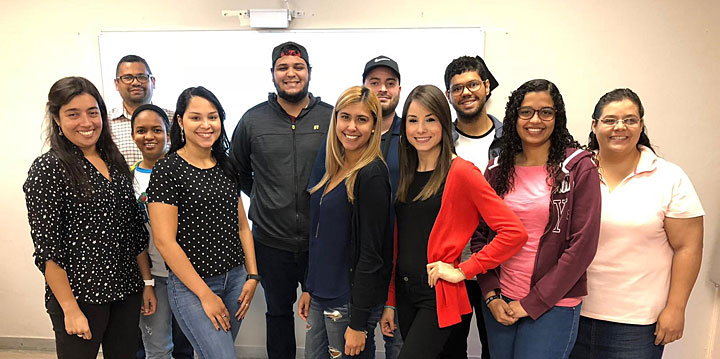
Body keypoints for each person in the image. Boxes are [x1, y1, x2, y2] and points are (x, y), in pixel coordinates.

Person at [379, 85, 528, 359]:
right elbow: (400, 242)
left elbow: (514, 232)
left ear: (444, 123)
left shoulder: (462, 172)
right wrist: (390, 301)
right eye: (412, 120)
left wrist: (465, 270)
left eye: (430, 119)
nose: (420, 129)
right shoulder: (406, 173)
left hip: (437, 295)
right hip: (405, 292)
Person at [570, 89, 704, 359]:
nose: (620, 127)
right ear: (594, 126)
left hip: (636, 325)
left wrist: (676, 308)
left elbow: (688, 247)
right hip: (571, 312)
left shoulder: (668, 177)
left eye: (630, 119)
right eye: (609, 120)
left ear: (641, 125)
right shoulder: (574, 171)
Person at [23, 76, 150, 358]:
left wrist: (147, 282)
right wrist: (70, 309)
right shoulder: (49, 169)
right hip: (81, 296)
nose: (86, 122)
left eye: (93, 112)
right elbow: (47, 250)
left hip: (126, 289)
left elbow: (133, 229)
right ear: (56, 119)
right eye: (73, 114)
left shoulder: (113, 160)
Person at [474, 79, 601, 359]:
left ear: (558, 117)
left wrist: (533, 302)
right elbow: (480, 236)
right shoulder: (496, 169)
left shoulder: (578, 167)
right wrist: (491, 295)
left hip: (553, 304)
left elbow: (583, 247)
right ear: (514, 117)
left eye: (546, 112)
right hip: (500, 302)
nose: (536, 120)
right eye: (526, 112)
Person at [229, 41, 333, 359]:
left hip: (321, 241)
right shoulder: (252, 121)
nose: (291, 73)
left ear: (309, 72)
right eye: (283, 68)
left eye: (298, 67)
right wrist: (266, 198)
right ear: (272, 74)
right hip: (272, 242)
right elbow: (239, 173)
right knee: (278, 314)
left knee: (326, 315)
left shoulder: (331, 118)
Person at [147, 86, 259, 359]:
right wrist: (205, 295)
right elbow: (164, 240)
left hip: (235, 280)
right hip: (192, 287)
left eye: (213, 117)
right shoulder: (167, 170)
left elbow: (242, 226)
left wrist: (252, 275)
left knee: (216, 353)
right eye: (196, 117)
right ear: (181, 122)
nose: (206, 125)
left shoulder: (226, 165)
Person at [308, 55, 404, 358]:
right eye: (345, 117)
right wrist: (309, 287)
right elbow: (320, 237)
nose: (351, 127)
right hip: (321, 292)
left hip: (349, 301)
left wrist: (360, 322)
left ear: (375, 125)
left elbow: (372, 254)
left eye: (362, 119)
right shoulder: (331, 169)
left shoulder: (371, 174)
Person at [441, 55, 502, 359]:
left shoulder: (511, 141)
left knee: (498, 349)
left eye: (473, 84)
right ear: (449, 96)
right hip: (453, 266)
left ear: (486, 86)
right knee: (451, 350)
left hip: (499, 266)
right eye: (457, 88)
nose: (466, 93)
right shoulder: (440, 142)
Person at [130, 104, 180, 359]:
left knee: (190, 347)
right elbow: (133, 236)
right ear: (132, 136)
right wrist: (146, 282)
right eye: (141, 130)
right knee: (158, 350)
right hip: (154, 278)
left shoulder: (182, 171)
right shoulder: (128, 180)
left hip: (188, 276)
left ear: (168, 133)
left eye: (156, 130)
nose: (148, 136)